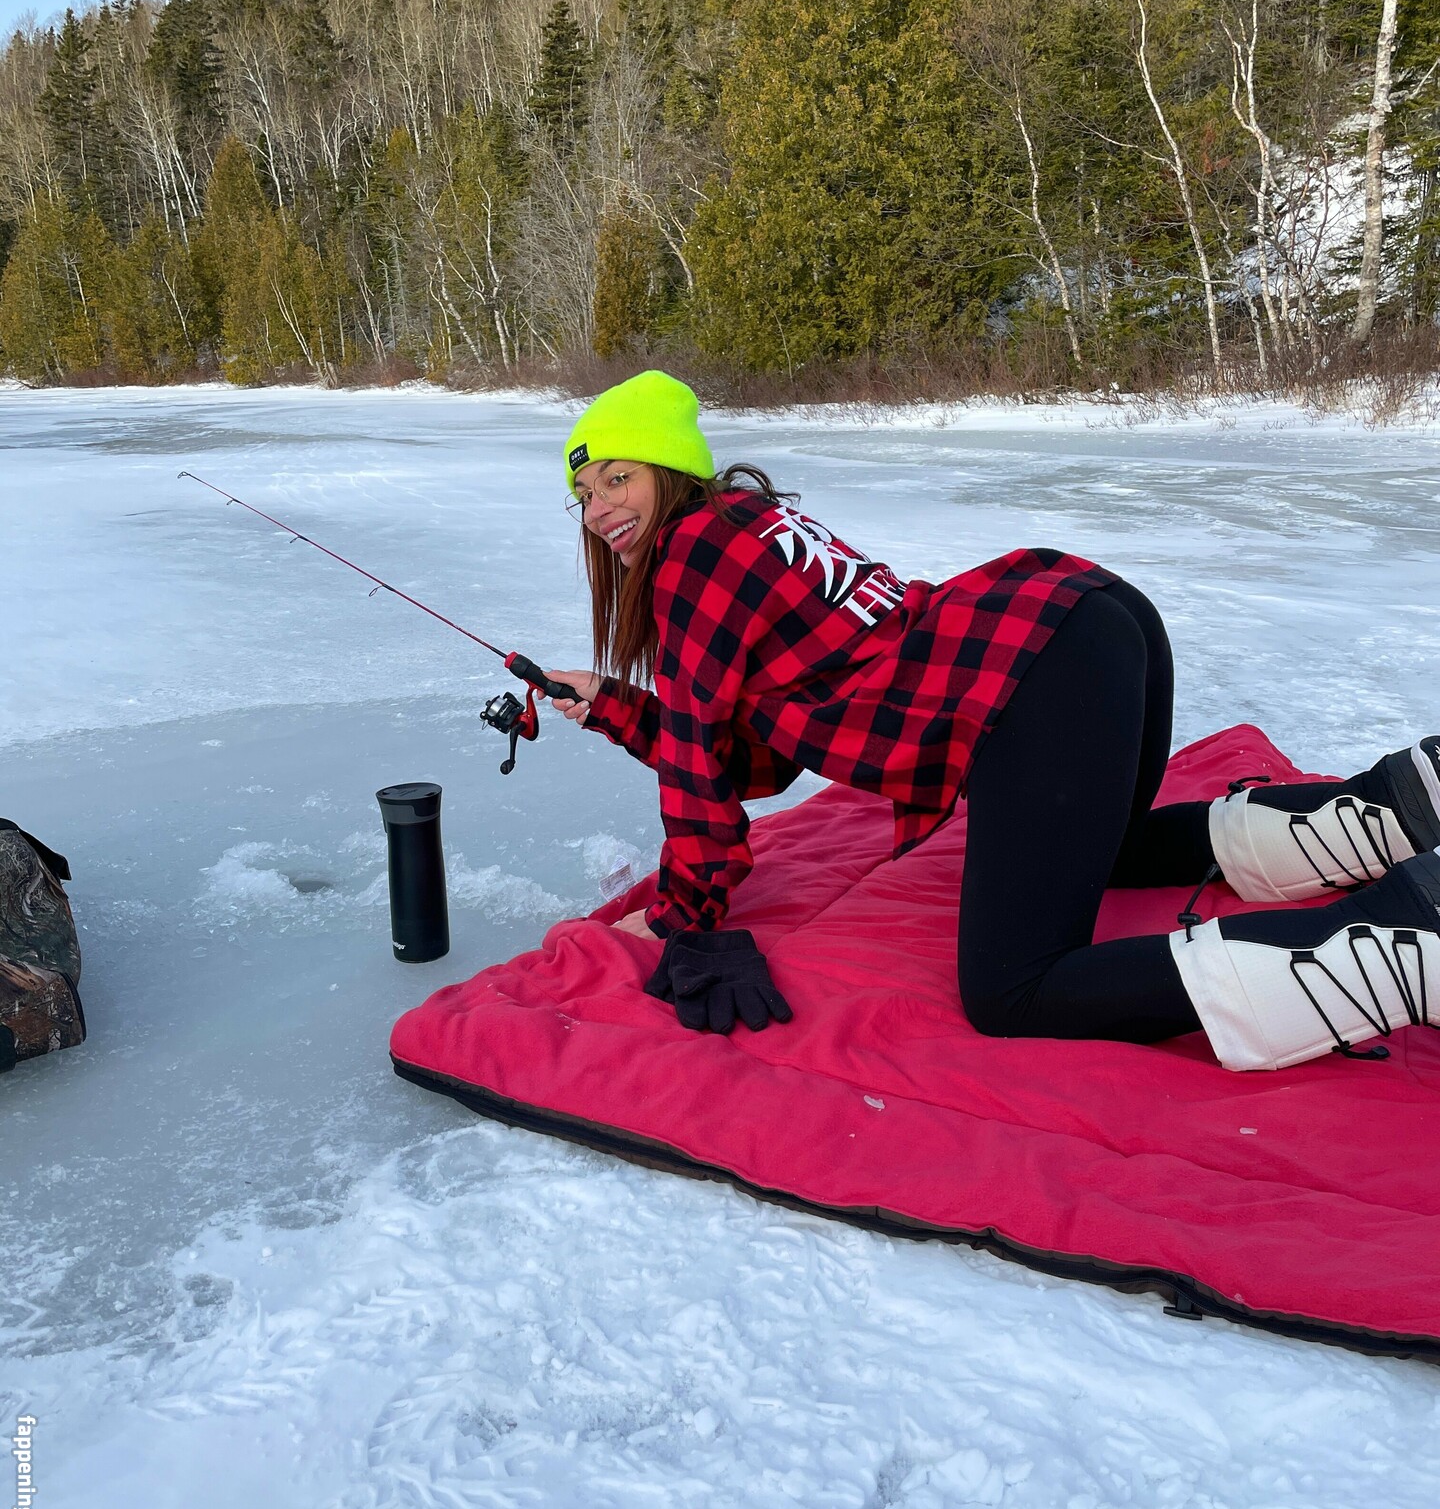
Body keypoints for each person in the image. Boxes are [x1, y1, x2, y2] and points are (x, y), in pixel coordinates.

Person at [547, 371, 1440, 1072]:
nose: (600, 509)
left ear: (670, 468)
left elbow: (698, 768)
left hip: (1036, 672)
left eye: (618, 478)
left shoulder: (690, 558)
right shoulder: (746, 525)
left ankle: (1396, 946)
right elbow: (762, 759)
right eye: (583, 493)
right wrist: (615, 708)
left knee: (1013, 992)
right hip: (1085, 620)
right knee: (1101, 854)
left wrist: (682, 914)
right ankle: (1388, 812)